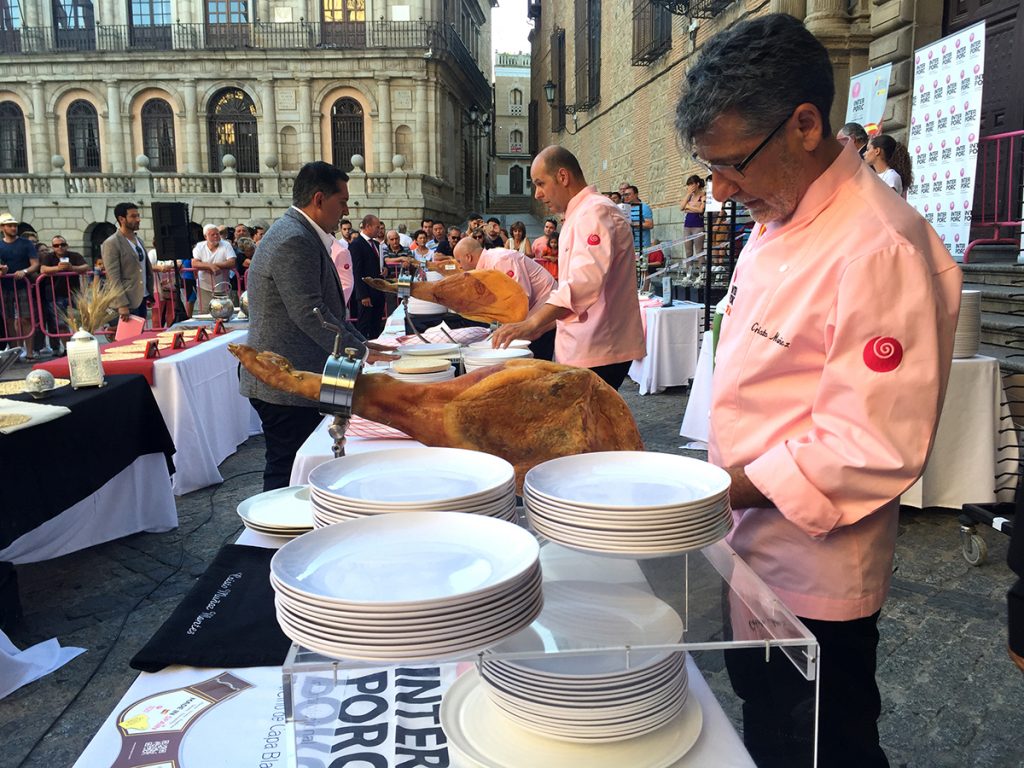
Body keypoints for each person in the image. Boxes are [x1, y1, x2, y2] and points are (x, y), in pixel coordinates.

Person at [674, 13, 961, 767]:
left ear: (805, 124)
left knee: (824, 743)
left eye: (734, 164)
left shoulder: (877, 245)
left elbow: (870, 444)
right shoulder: (781, 215)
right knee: (768, 726)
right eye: (712, 169)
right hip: (749, 545)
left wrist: (713, 490)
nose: (723, 190)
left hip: (816, 570)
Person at [240, 161, 385, 491]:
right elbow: (310, 312)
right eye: (342, 201)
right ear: (319, 199)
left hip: (296, 373)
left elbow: (322, 309)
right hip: (285, 380)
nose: (346, 209)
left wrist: (362, 343)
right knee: (287, 466)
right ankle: (272, 537)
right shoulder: (294, 239)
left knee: (296, 461)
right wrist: (360, 350)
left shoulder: (301, 232)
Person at [493, 146, 645, 389]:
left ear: (563, 177)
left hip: (597, 347)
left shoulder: (594, 211)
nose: (537, 194)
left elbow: (583, 283)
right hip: (586, 345)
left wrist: (532, 323)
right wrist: (542, 324)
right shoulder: (581, 213)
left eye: (540, 183)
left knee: (586, 424)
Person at [454, 236, 557, 360]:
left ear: (468, 257)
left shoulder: (501, 259)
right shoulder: (488, 263)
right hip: (533, 312)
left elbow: (521, 297)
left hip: (545, 310)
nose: (459, 266)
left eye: (459, 261)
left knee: (536, 363)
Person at [101, 202, 153, 323]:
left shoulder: (138, 240)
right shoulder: (112, 243)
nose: (138, 219)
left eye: (138, 216)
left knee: (139, 338)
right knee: (130, 339)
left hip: (142, 298)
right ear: (121, 219)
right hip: (127, 301)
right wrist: (122, 304)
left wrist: (149, 292)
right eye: (133, 216)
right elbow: (113, 277)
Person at [39, 235, 89, 353]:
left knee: (83, 320)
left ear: (67, 245)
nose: (59, 247)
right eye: (56, 245)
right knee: (60, 323)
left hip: (74, 292)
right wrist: (58, 268)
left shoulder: (74, 255)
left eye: (62, 244)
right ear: (53, 247)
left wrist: (72, 268)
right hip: (55, 294)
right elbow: (43, 269)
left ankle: (83, 346)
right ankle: (67, 349)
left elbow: (86, 266)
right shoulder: (48, 257)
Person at [0, 213, 39, 358]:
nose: (13, 228)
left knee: (26, 318)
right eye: (10, 225)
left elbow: (35, 264)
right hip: (5, 286)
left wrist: (24, 271)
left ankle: (29, 352)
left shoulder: (26, 243)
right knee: (9, 319)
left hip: (23, 285)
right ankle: (14, 353)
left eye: (15, 225)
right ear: (3, 228)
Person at [348, 214, 386, 339]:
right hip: (366, 294)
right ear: (368, 226)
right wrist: (363, 295)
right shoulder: (356, 244)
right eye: (376, 227)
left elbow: (380, 263)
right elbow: (357, 271)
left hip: (378, 291)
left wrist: (385, 269)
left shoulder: (376, 243)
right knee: (364, 325)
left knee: (376, 324)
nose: (379, 230)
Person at [191, 223, 236, 311]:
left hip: (223, 285)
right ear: (205, 236)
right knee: (205, 312)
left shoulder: (226, 244)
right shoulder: (200, 246)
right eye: (212, 234)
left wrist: (214, 266)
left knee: (224, 311)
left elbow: (232, 262)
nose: (216, 236)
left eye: (217, 234)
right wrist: (210, 266)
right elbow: (194, 263)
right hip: (204, 285)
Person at [864, 133, 913, 199]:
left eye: (868, 149)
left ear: (877, 151)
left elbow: (887, 203)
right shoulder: (872, 176)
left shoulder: (891, 176)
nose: (864, 154)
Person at [680, 175, 706, 260]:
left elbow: (700, 210)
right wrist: (688, 194)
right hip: (687, 226)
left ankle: (701, 272)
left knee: (699, 250)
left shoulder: (703, 195)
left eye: (692, 184)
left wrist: (688, 207)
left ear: (697, 184)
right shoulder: (689, 196)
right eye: (689, 185)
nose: (690, 187)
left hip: (698, 226)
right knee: (688, 251)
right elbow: (681, 207)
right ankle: (689, 272)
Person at [621, 184, 654, 251]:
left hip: (642, 247)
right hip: (628, 246)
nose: (626, 197)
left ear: (636, 195)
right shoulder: (624, 208)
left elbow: (650, 225)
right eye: (625, 195)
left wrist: (632, 224)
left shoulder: (644, 207)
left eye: (629, 194)